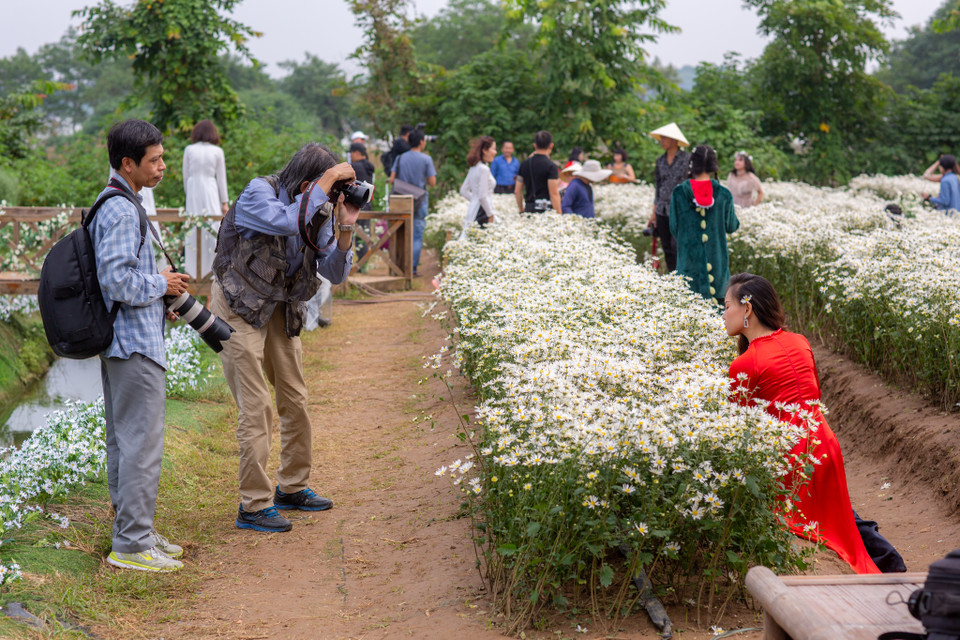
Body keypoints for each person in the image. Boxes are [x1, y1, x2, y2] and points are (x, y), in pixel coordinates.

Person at [209, 143, 361, 533]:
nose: (329, 196)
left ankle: (292, 487)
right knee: (256, 404)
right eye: (326, 186)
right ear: (307, 181)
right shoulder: (258, 192)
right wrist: (327, 183)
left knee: (295, 397)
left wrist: (346, 224)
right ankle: (254, 505)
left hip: (280, 303)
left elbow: (334, 271)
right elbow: (284, 222)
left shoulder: (321, 206)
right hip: (238, 302)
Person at [724, 273, 906, 575]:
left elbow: (739, 430)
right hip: (823, 444)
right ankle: (888, 560)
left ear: (747, 309)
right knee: (838, 517)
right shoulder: (800, 342)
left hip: (788, 457)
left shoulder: (744, 364)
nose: (723, 314)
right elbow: (812, 397)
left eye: (727, 305)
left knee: (815, 524)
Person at [92, 119, 191, 572]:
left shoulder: (121, 201)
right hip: (133, 347)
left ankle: (134, 531)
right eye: (155, 160)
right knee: (141, 447)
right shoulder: (120, 210)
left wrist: (158, 297)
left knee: (125, 442)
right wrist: (161, 284)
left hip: (126, 339)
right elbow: (115, 280)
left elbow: (124, 279)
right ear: (128, 164)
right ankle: (132, 545)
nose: (163, 166)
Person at [669, 145, 739, 303]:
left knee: (688, 310)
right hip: (717, 268)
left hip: (688, 266)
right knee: (717, 311)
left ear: (692, 164)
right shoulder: (724, 194)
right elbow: (732, 226)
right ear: (714, 166)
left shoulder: (679, 193)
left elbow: (674, 227)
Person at [182, 119, 228, 279]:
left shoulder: (189, 149)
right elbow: (221, 178)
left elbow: (185, 175)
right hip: (210, 189)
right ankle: (212, 271)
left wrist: (188, 194)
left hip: (193, 189)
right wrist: (224, 202)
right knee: (212, 226)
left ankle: (192, 271)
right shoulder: (217, 151)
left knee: (193, 226)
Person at [388, 129, 436, 275]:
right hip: (420, 200)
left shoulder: (400, 158)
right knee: (417, 235)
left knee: (400, 233)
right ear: (421, 142)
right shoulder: (426, 159)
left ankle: (399, 267)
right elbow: (432, 182)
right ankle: (412, 269)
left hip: (402, 200)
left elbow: (392, 179)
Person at [648, 122, 691, 272]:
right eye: (661, 138)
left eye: (664, 138)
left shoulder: (688, 159)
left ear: (674, 140)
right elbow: (658, 187)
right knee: (666, 246)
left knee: (677, 245)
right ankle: (673, 277)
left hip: (681, 209)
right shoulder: (660, 160)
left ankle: (683, 275)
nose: (662, 141)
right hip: (662, 209)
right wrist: (654, 213)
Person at [458, 136, 497, 238]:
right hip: (483, 212)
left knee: (469, 238)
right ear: (484, 150)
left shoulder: (474, 167)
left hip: (474, 210)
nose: (495, 152)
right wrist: (490, 214)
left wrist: (474, 200)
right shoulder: (484, 169)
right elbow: (482, 196)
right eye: (493, 149)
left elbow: (463, 191)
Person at [515, 130, 561, 214]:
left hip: (529, 208)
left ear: (535, 145)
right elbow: (554, 194)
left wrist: (521, 209)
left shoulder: (524, 164)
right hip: (546, 210)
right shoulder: (551, 166)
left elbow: (517, 191)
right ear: (551, 146)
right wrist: (559, 215)